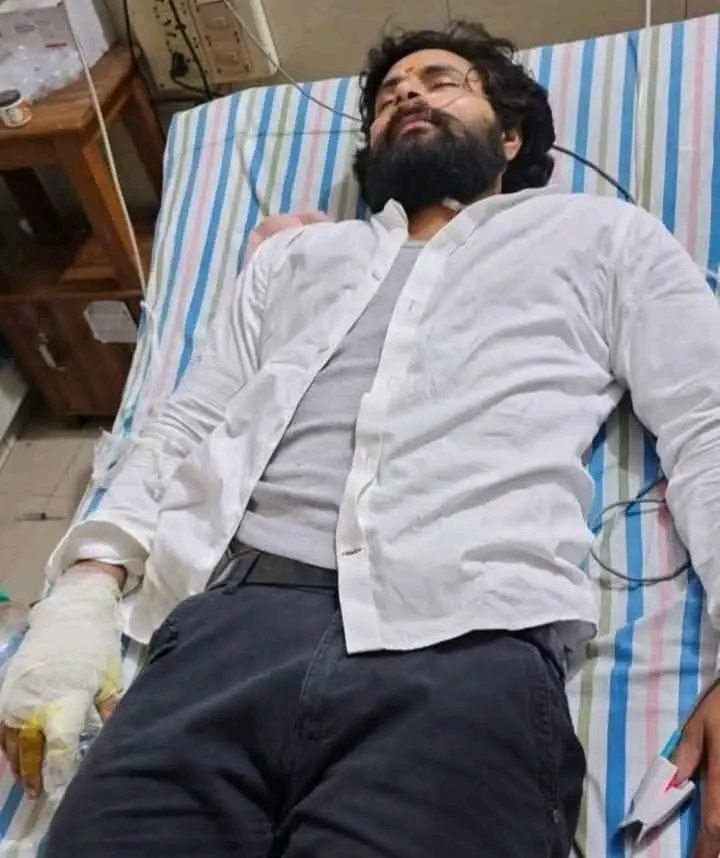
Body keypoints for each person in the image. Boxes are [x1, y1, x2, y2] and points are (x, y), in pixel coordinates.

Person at [2, 19, 720, 858]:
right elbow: (186, 422)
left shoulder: (602, 237)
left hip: (468, 649)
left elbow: (705, 419)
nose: (408, 95)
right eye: (387, 98)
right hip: (226, 633)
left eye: (441, 81)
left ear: (511, 135)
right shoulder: (294, 259)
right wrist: (85, 592)